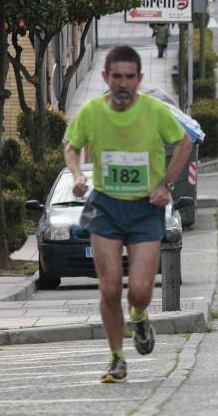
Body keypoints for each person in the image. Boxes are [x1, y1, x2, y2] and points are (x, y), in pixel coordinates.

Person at [64, 45, 192, 383]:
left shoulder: (154, 111)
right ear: (106, 77)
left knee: (139, 289)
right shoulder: (91, 112)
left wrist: (165, 184)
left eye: (129, 77)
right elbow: (71, 147)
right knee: (108, 288)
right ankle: (117, 358)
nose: (123, 83)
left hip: (144, 208)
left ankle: (139, 315)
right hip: (106, 205)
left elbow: (184, 142)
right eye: (116, 77)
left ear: (139, 79)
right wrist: (77, 176)